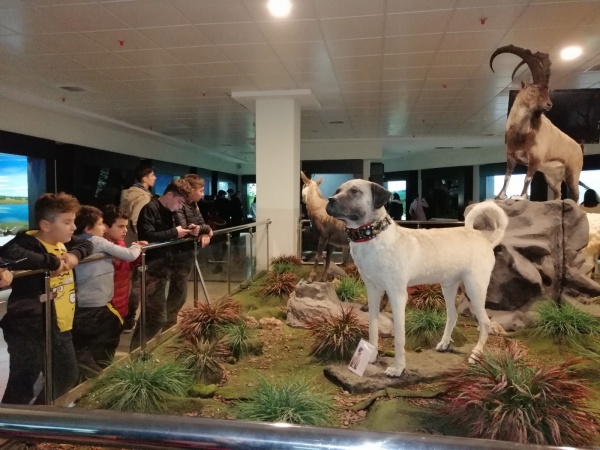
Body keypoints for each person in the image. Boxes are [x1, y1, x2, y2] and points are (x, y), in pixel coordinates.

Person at [0, 193, 93, 404]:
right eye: (67, 222)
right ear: (45, 225)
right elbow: (10, 252)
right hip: (30, 326)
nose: (73, 227)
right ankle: (16, 422)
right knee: (24, 382)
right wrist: (52, 262)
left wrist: (74, 255)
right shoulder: (27, 243)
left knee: (65, 375)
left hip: (59, 325)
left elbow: (88, 244)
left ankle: (38, 417)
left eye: (73, 221)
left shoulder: (64, 242)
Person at [72, 206, 143, 378]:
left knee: (93, 343)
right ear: (88, 228)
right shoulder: (97, 241)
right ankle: (98, 378)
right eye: (101, 224)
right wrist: (137, 246)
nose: (103, 228)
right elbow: (130, 255)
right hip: (98, 304)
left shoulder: (74, 243)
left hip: (82, 303)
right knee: (102, 343)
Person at [129, 179, 193, 351]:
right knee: (154, 316)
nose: (180, 206)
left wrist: (190, 230)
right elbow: (147, 236)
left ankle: (140, 351)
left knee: (158, 313)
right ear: (169, 195)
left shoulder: (171, 211)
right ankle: (136, 352)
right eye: (179, 201)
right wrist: (174, 232)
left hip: (167, 266)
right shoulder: (150, 208)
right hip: (152, 268)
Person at [168, 174, 213, 330]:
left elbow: (201, 224)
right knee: (177, 293)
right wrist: (202, 230)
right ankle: (168, 325)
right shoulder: (179, 205)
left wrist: (203, 231)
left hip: (187, 252)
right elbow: (186, 228)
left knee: (180, 293)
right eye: (201, 190)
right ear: (191, 190)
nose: (203, 194)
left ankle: (170, 323)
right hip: (178, 254)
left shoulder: (194, 205)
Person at [119, 161, 155, 332]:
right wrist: (144, 240)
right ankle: (129, 319)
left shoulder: (127, 195)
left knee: (126, 283)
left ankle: (123, 318)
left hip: (125, 244)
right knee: (137, 284)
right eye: (152, 175)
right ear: (144, 178)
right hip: (137, 246)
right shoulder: (143, 197)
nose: (155, 178)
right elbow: (136, 221)